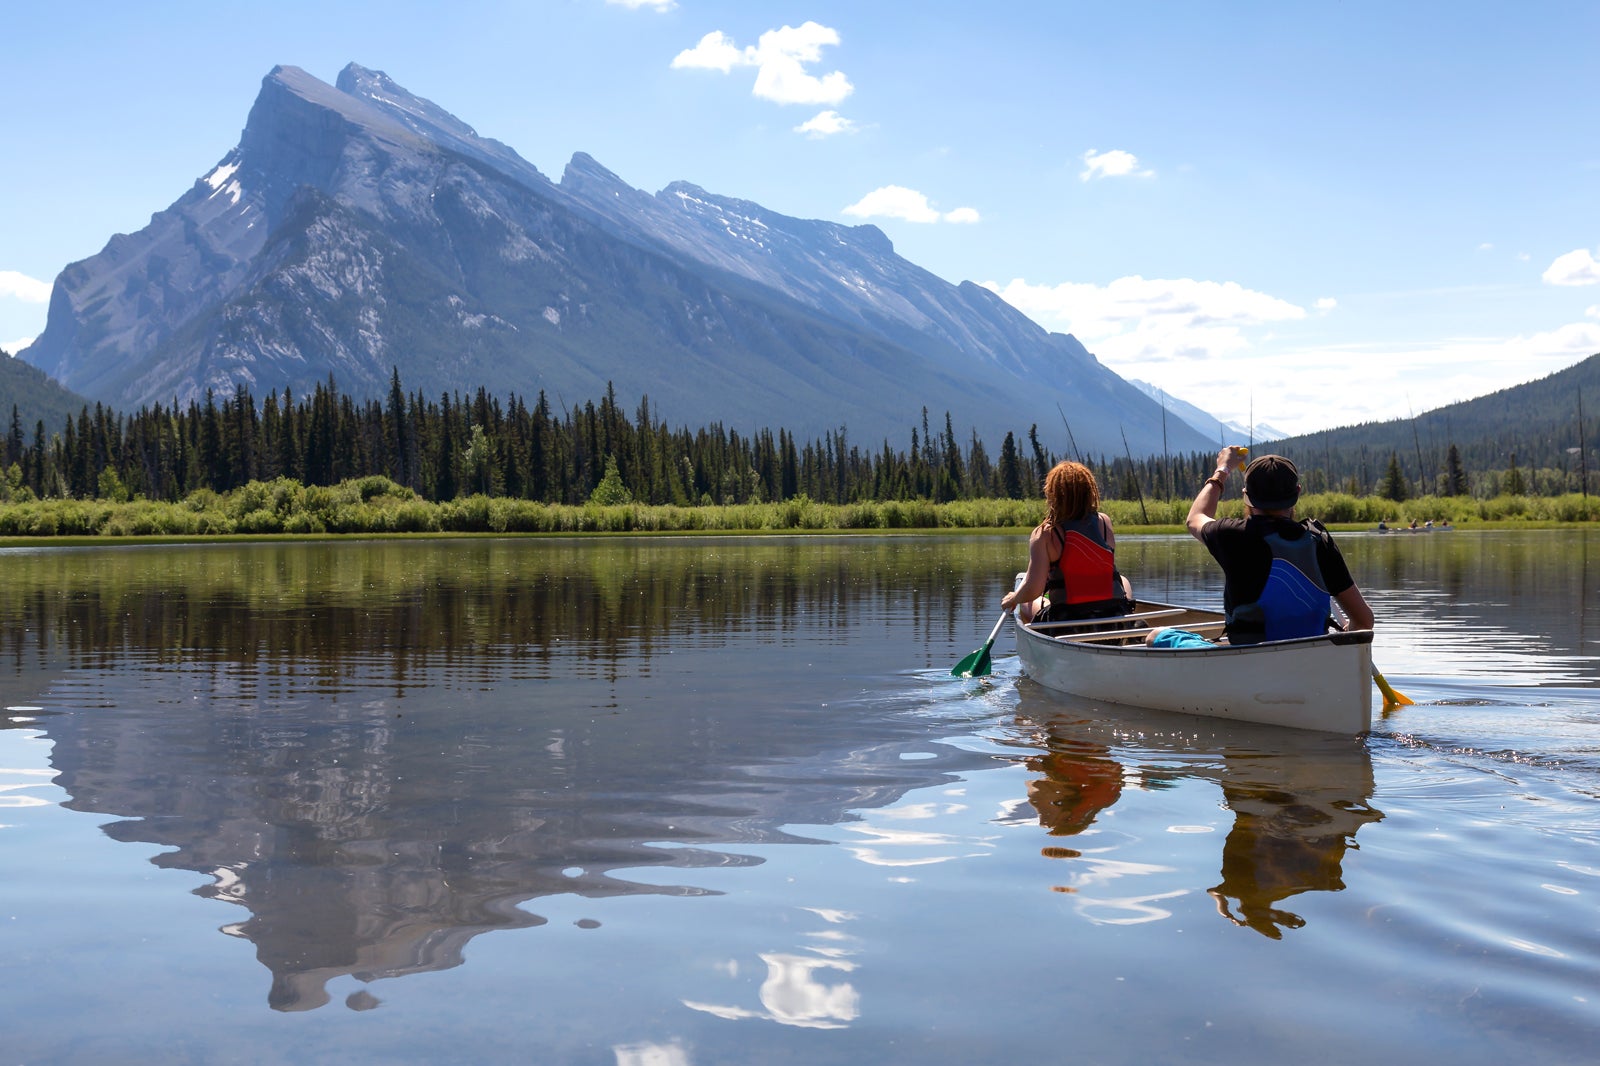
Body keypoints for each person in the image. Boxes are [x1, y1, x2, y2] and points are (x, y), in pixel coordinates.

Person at [1151, 450, 1373, 648]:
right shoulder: (1319, 541)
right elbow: (1364, 621)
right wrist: (1347, 635)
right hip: (1309, 656)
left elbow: (1195, 519)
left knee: (1156, 635)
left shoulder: (1231, 535)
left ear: (1245, 495)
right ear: (1297, 492)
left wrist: (1222, 471)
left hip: (1247, 658)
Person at [1002, 460, 1134, 625]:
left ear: (1053, 495)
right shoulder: (1104, 522)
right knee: (1123, 580)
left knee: (1026, 604)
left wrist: (1015, 598)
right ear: (1089, 492)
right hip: (1112, 613)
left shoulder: (1045, 534)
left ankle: (1040, 634)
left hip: (1068, 619)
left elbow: (1033, 589)